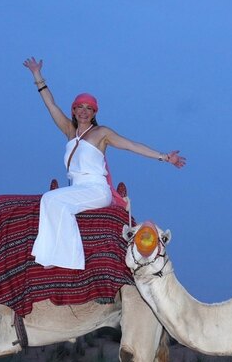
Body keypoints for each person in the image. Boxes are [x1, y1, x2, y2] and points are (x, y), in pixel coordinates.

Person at [23, 57, 186, 270]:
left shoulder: (102, 133)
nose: (83, 111)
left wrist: (164, 157)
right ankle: (53, 255)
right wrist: (37, 74)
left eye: (88, 108)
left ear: (94, 112)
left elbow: (131, 145)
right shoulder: (69, 131)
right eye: (79, 107)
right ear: (73, 110)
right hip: (77, 188)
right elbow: (51, 105)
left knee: (50, 199)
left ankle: (67, 259)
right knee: (50, 201)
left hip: (96, 189)